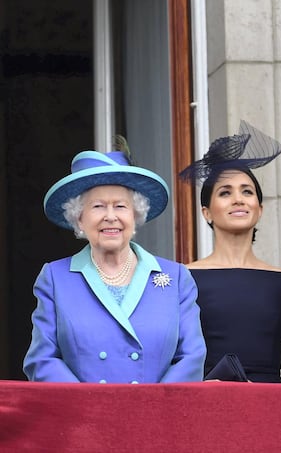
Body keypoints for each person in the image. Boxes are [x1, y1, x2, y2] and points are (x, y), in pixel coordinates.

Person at [24, 143, 206, 383]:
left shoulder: (177, 277)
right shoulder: (55, 278)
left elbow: (192, 357)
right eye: (98, 206)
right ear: (79, 219)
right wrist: (92, 406)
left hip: (155, 415)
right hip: (84, 416)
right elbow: (42, 360)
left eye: (120, 206)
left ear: (136, 215)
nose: (111, 216)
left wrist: (154, 406)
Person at [180, 121, 281, 383]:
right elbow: (171, 362)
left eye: (247, 191)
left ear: (259, 208)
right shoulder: (183, 278)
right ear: (206, 212)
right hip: (203, 409)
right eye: (225, 192)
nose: (238, 199)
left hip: (270, 413)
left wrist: (267, 398)